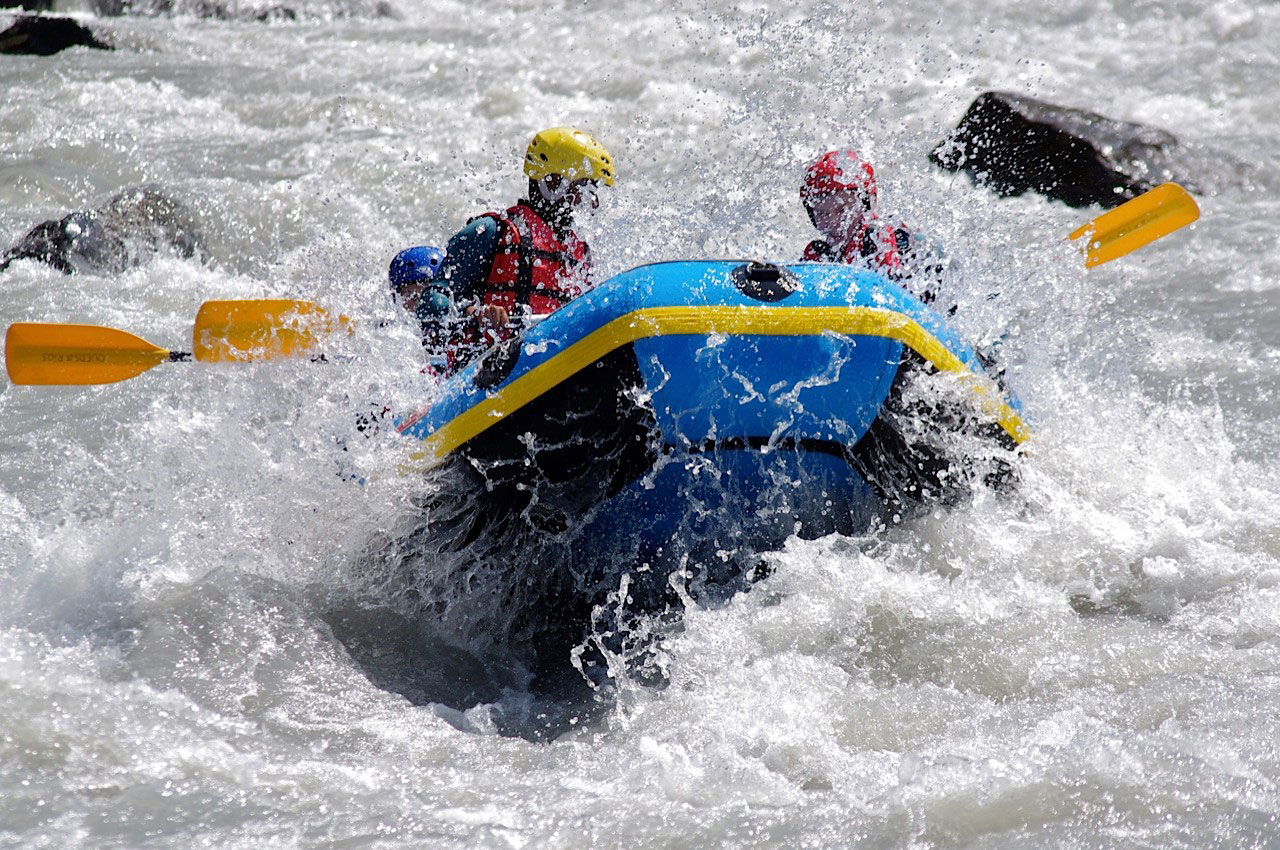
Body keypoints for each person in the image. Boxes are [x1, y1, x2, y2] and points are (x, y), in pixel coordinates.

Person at [437, 126, 615, 369]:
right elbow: (434, 297)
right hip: (485, 367)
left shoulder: (580, 253)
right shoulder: (492, 231)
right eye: (584, 188)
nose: (592, 202)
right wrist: (475, 312)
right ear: (552, 183)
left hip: (549, 366)